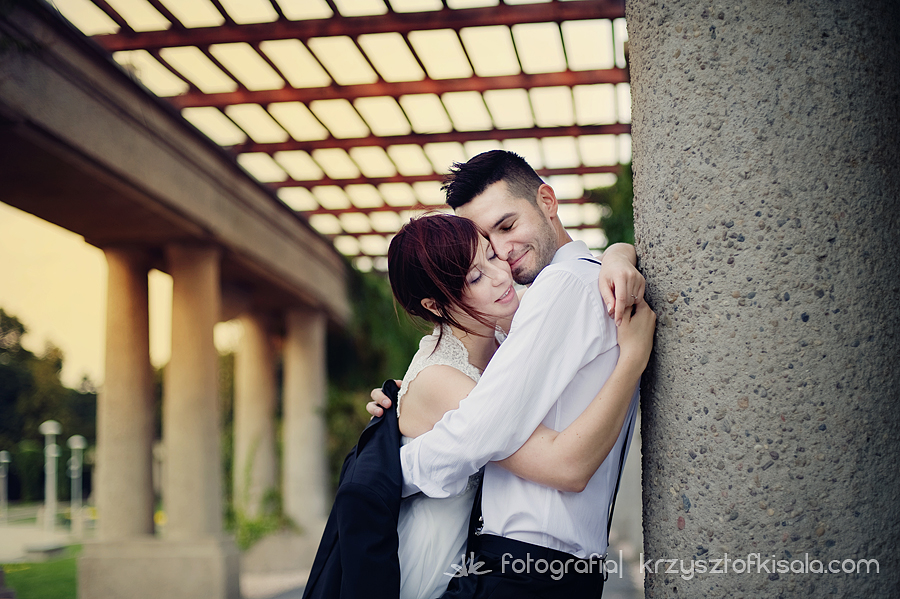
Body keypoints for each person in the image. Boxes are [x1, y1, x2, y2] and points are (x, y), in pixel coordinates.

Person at [368, 150, 648, 597]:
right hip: (548, 567)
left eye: (507, 225)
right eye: (486, 241)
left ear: (547, 202)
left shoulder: (561, 286)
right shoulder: (581, 281)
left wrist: (380, 467)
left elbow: (482, 430)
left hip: (523, 567)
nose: (502, 256)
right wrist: (620, 252)